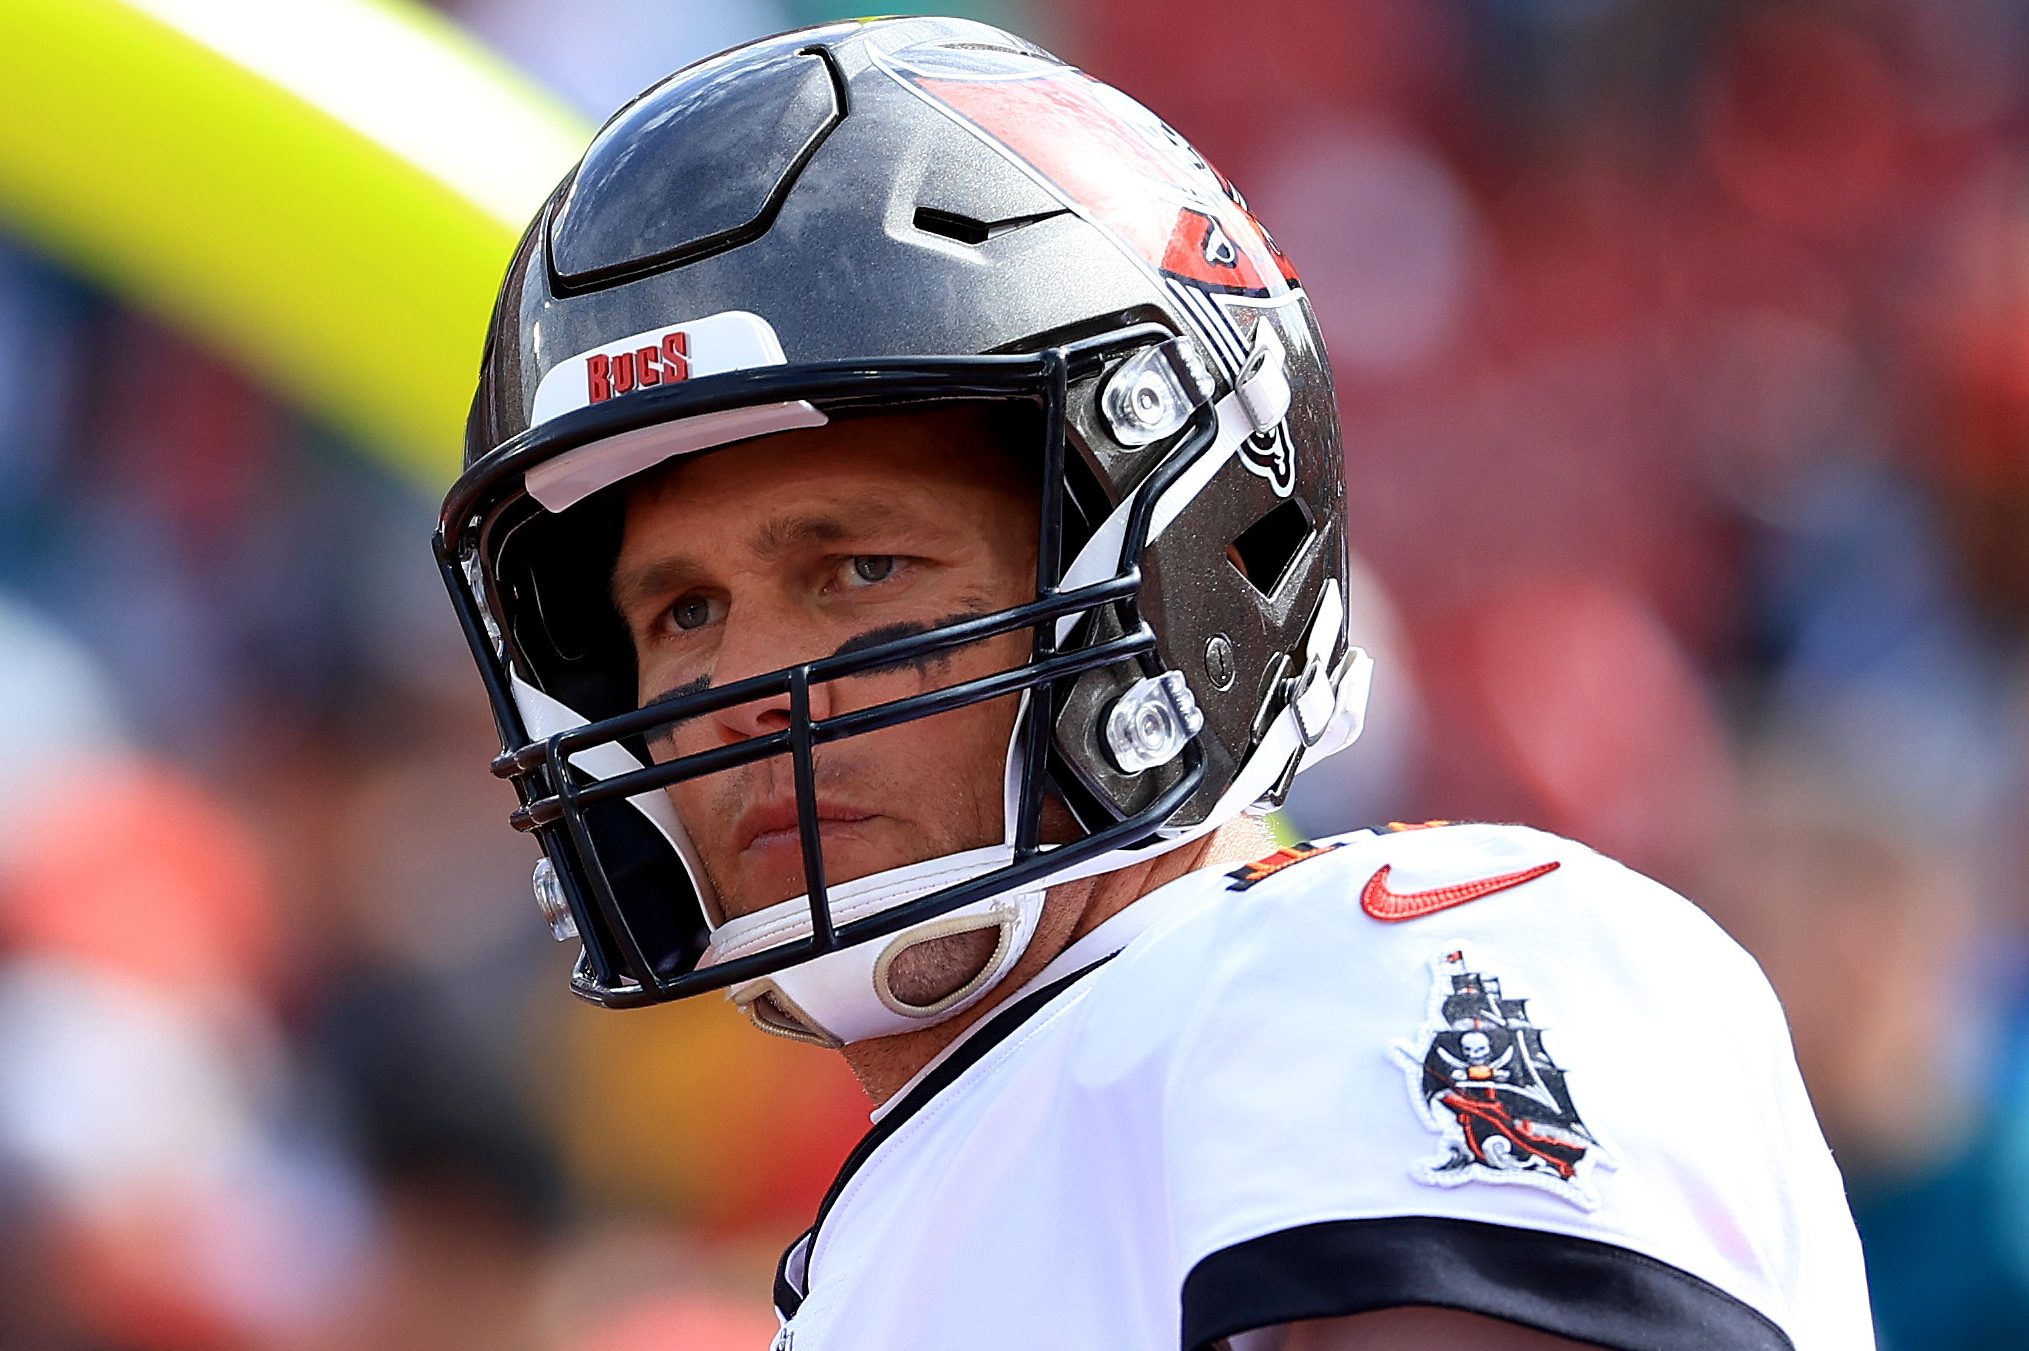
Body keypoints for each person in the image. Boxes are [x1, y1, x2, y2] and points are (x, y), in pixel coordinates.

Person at [436, 16, 1873, 1349]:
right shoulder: (923, 1199)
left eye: (860, 569)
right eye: (681, 610)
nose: (744, 681)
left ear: (1180, 568)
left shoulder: (1372, 973)